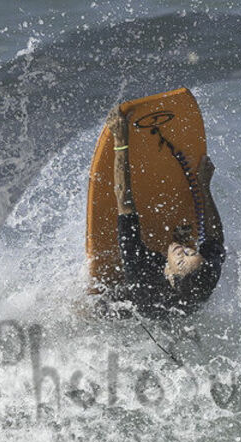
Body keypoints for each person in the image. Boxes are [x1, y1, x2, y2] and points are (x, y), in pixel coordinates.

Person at [101, 106, 225, 319]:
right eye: (191, 252)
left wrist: (120, 141)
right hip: (182, 301)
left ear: (170, 276)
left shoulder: (142, 276)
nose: (183, 250)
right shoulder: (208, 273)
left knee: (100, 305)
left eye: (181, 259)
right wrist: (205, 187)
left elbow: (124, 202)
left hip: (135, 309)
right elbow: (215, 237)